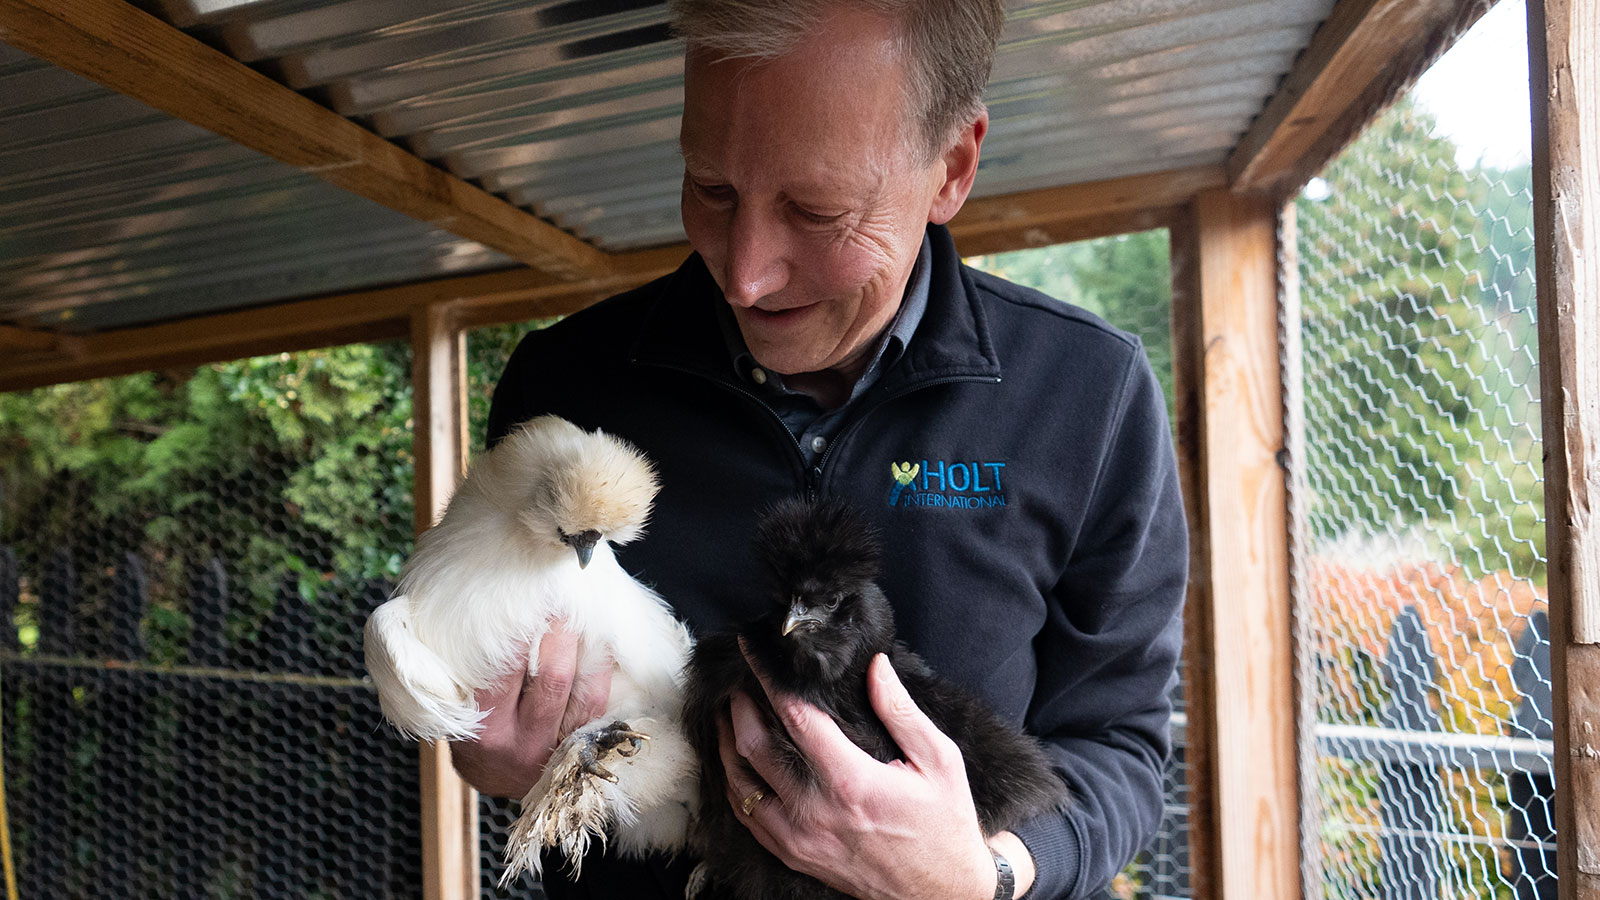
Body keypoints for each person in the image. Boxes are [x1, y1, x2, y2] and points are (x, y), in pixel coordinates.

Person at [455, 1, 1187, 898]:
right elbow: (489, 691)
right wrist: (488, 745)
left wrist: (982, 876)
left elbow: (1116, 742)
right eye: (712, 189)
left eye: (817, 209)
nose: (745, 271)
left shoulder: (1087, 395)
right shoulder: (566, 390)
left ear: (952, 167)